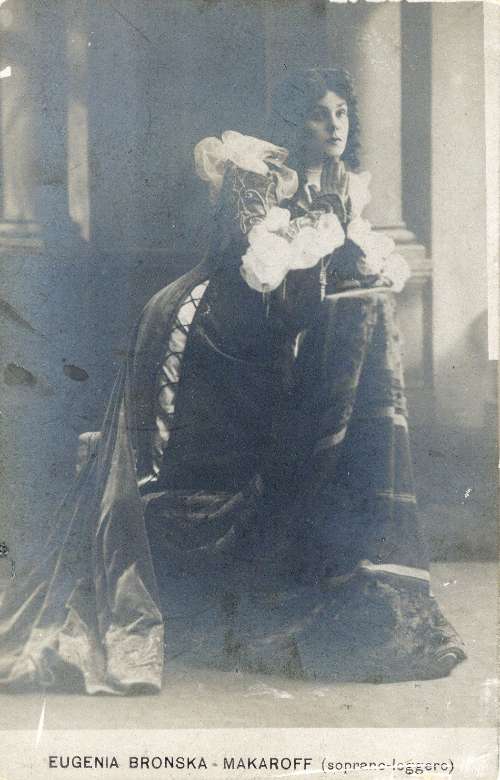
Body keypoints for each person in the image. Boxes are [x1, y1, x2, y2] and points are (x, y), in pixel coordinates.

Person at [0, 68, 465, 694]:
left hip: (279, 310)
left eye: (341, 114)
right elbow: (259, 264)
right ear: (295, 122)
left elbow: (340, 255)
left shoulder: (343, 182)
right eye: (319, 114)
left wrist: (354, 255)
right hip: (216, 315)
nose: (333, 126)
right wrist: (319, 248)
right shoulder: (258, 171)